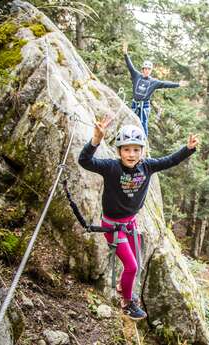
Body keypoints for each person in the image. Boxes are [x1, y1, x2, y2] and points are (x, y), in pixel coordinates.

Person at [78, 116, 199, 320]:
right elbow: (85, 161)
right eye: (126, 149)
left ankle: (121, 286)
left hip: (130, 224)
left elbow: (170, 161)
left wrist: (187, 149)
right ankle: (126, 303)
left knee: (137, 263)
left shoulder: (148, 167)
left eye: (136, 149)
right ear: (119, 151)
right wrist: (95, 140)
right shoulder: (111, 167)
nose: (131, 154)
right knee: (132, 266)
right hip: (113, 227)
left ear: (142, 151)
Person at [122, 41, 188, 136]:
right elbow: (130, 67)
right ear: (142, 69)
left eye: (149, 69)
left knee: (143, 124)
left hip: (144, 106)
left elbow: (165, 84)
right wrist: (125, 54)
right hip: (135, 103)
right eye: (145, 69)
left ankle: (144, 142)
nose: (147, 71)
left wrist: (178, 84)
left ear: (151, 71)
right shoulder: (136, 76)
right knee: (131, 121)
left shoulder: (154, 82)